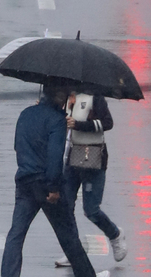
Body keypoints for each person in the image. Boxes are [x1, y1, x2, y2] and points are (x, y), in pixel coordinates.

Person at [0, 83, 111, 277]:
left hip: (24, 180)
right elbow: (55, 155)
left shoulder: (25, 114)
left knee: (17, 231)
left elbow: (17, 145)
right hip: (45, 182)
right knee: (66, 230)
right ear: (60, 98)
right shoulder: (57, 120)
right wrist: (53, 187)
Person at [55, 91, 128, 267]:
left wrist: (79, 125)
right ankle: (74, 250)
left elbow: (107, 123)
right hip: (72, 158)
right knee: (65, 207)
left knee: (91, 209)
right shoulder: (64, 99)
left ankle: (115, 234)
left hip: (93, 157)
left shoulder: (95, 97)